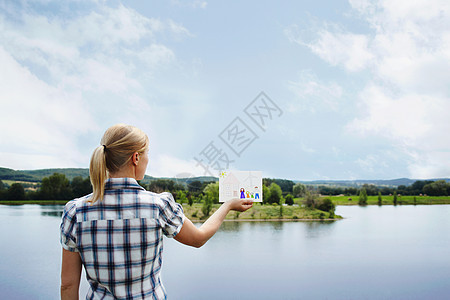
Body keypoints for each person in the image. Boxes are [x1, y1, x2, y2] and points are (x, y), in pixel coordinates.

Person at [60, 124, 253, 300]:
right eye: (147, 154)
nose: (147, 160)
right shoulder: (158, 205)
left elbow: (68, 286)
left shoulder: (75, 212)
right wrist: (227, 205)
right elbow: (198, 238)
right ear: (136, 158)